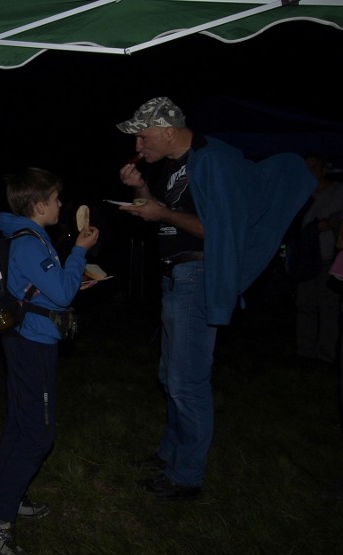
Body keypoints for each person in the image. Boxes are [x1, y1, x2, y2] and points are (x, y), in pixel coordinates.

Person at [115, 96, 315, 500]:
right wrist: (142, 192)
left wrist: (163, 215)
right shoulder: (178, 167)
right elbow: (172, 214)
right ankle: (171, 454)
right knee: (170, 376)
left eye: (143, 137)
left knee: (187, 382)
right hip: (177, 278)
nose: (138, 146)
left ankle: (186, 476)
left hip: (198, 276)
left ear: (168, 130)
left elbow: (217, 227)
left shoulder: (213, 160)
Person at [0, 167, 99, 555]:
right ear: (39, 205)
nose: (61, 204)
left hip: (25, 337)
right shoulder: (29, 241)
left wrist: (71, 277)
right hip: (32, 343)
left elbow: (48, 285)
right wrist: (79, 252)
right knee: (38, 436)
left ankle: (10, 496)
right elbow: (59, 294)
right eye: (57, 199)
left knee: (20, 425)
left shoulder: (24, 235)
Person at [295, 154, 343, 363]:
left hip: (329, 259)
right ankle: (305, 351)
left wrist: (328, 223)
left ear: (324, 169)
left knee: (328, 307)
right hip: (306, 259)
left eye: (314, 167)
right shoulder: (303, 195)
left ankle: (325, 355)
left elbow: (337, 220)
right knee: (305, 304)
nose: (310, 172)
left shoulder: (339, 191)